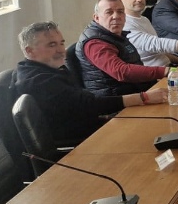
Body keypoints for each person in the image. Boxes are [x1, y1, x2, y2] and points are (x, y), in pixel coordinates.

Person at [14, 22, 168, 145]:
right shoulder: (38, 81)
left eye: (61, 43)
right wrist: (143, 98)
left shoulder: (48, 68)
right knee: (150, 132)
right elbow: (89, 105)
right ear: (29, 51)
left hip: (91, 124)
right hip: (82, 141)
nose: (61, 50)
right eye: (51, 45)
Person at [76, 0, 178, 97]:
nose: (116, 16)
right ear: (96, 18)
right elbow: (121, 71)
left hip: (135, 92)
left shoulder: (115, 35)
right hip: (118, 103)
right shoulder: (95, 43)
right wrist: (167, 71)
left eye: (120, 11)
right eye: (109, 12)